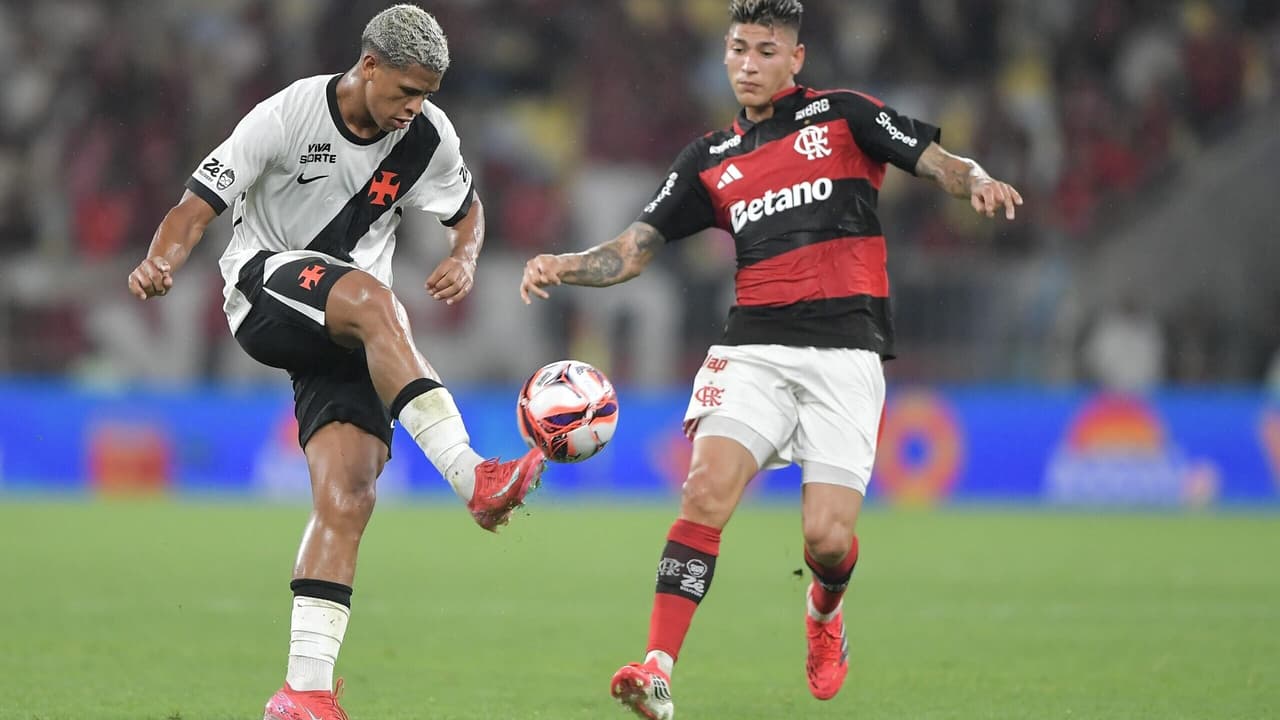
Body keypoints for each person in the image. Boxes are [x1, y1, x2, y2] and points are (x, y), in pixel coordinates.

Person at [519, 1, 1022, 716]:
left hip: (847, 350)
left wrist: (972, 179)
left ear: (795, 58)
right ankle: (657, 668)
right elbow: (631, 251)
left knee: (826, 537)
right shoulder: (708, 159)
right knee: (704, 494)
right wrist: (563, 263)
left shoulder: (845, 116)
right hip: (752, 348)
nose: (748, 64)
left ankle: (823, 611)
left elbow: (934, 158)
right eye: (736, 50)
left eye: (764, 49)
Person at [126, 6, 546, 720]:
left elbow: (466, 209)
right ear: (369, 65)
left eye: (427, 96)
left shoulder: (426, 136)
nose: (414, 109)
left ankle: (304, 692)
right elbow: (196, 206)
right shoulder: (285, 115)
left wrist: (464, 256)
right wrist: (160, 263)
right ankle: (473, 475)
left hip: (344, 328)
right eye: (405, 91)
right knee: (378, 302)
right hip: (264, 291)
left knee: (349, 497)